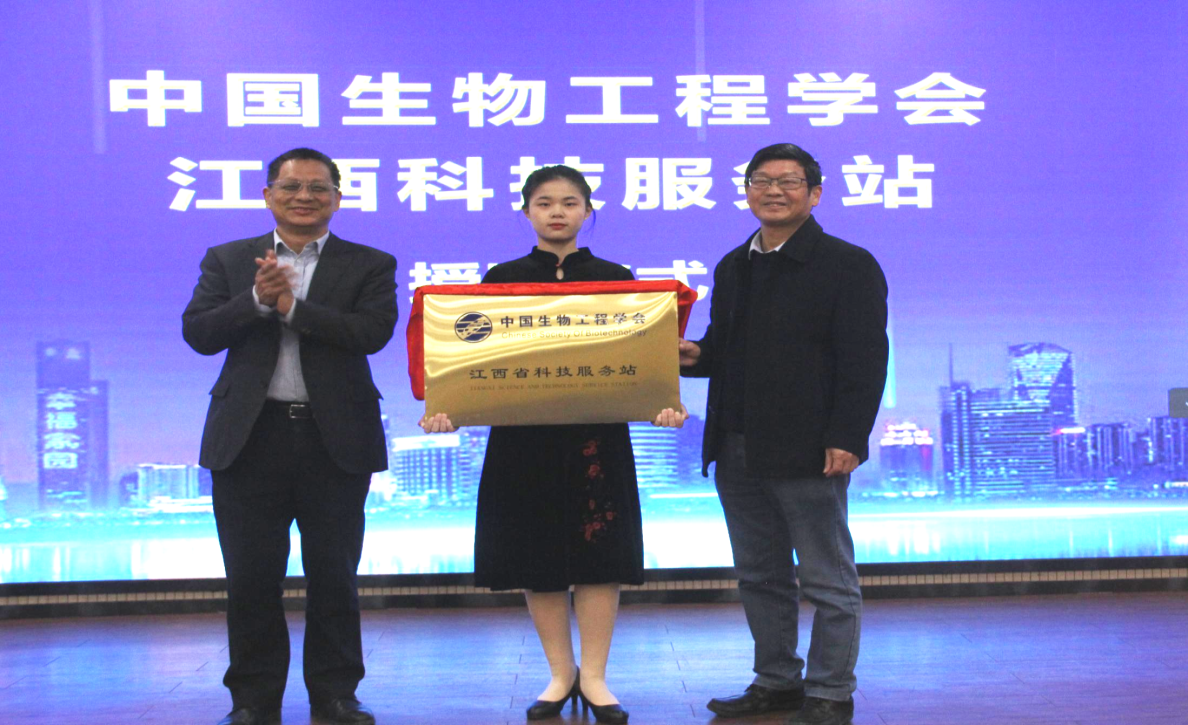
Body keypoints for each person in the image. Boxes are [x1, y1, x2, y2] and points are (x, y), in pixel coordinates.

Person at [421, 165, 686, 725]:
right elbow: (473, 360)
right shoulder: (502, 278)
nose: (558, 212)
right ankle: (560, 673)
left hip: (596, 437)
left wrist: (662, 401)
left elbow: (643, 358)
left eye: (569, 202)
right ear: (526, 212)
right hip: (524, 439)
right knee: (534, 554)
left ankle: (595, 677)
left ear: (588, 211)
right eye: (544, 203)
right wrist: (448, 407)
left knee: (599, 556)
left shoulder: (616, 278)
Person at [182, 147, 397, 725]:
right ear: (268, 195)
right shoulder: (229, 259)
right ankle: (253, 699)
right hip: (249, 439)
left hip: (335, 439)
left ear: (337, 198)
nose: (304, 197)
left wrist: (292, 308)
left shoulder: (369, 263)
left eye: (318, 188)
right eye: (291, 186)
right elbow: (199, 333)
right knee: (251, 577)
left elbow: (371, 334)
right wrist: (257, 300)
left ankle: (335, 694)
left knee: (334, 575)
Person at [678, 144, 888, 725]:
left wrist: (848, 437)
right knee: (760, 576)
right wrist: (694, 356)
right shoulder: (733, 265)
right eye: (760, 180)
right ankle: (776, 682)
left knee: (827, 578)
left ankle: (830, 692)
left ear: (815, 193)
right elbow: (727, 350)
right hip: (737, 444)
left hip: (809, 448)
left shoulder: (848, 264)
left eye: (789, 181)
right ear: (747, 191)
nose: (773, 190)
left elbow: (865, 359)